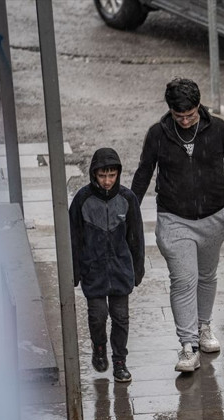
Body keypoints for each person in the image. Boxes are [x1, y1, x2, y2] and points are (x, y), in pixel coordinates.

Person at [132, 78, 224, 373]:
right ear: (170, 112)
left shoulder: (218, 129)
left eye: (191, 115)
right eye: (180, 117)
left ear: (199, 107)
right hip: (174, 218)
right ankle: (187, 345)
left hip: (214, 216)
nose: (186, 121)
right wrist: (128, 209)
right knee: (183, 279)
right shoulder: (158, 134)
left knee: (206, 275)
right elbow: (144, 172)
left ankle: (204, 327)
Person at [69, 148, 145, 383]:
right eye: (102, 175)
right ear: (94, 174)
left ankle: (120, 361)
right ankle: (99, 346)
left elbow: (136, 237)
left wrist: (137, 269)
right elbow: (73, 238)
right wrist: (75, 272)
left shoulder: (127, 199)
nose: (107, 181)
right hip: (94, 271)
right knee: (98, 316)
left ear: (118, 174)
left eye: (112, 175)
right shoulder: (82, 199)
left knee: (121, 317)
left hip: (121, 270)